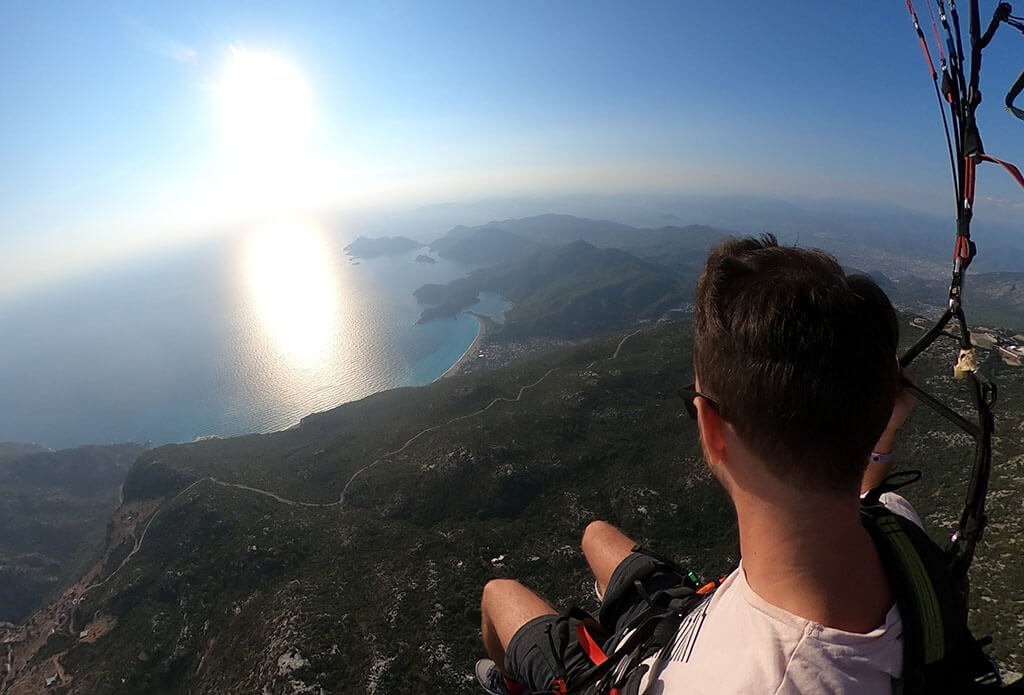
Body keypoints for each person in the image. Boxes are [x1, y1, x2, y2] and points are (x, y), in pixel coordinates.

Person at [475, 234, 922, 694]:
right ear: (874, 415)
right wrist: (880, 437)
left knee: (498, 593)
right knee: (596, 534)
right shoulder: (899, 527)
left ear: (711, 426)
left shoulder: (758, 682)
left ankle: (512, 685)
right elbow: (864, 497)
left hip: (643, 669)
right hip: (688, 624)